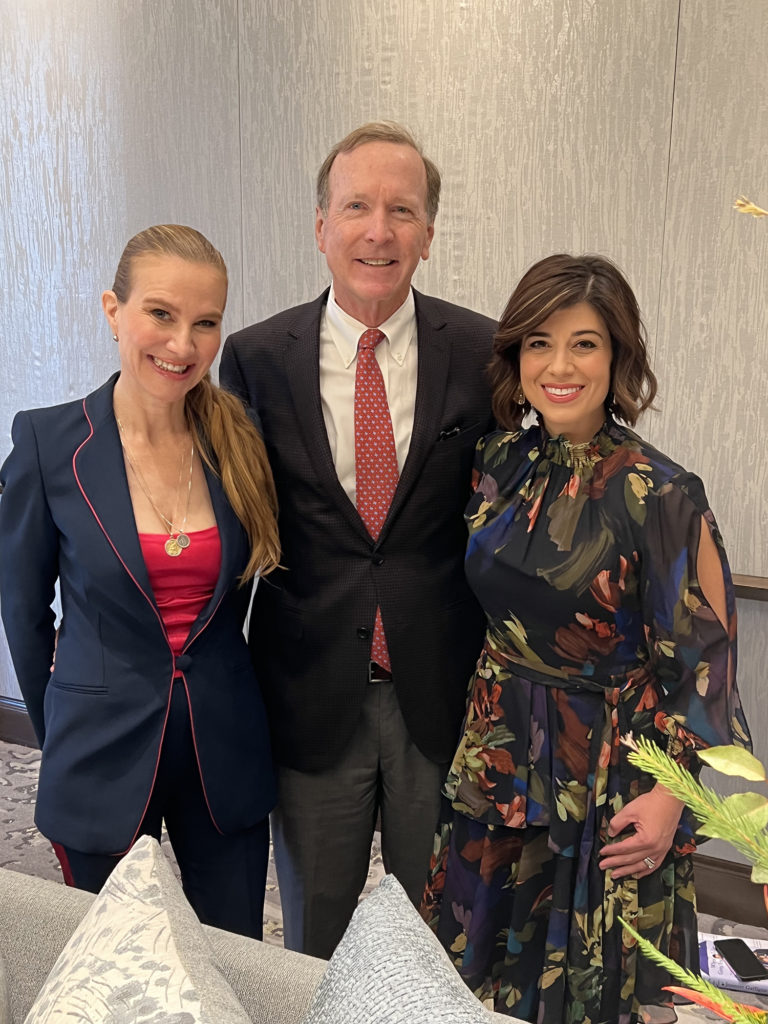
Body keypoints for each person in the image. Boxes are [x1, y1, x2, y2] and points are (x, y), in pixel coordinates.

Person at [421, 254, 752, 1023]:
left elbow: (706, 664)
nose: (560, 366)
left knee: (594, 991)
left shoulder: (660, 492)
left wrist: (672, 798)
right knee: (483, 982)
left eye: (584, 344)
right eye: (539, 343)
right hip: (498, 758)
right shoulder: (496, 462)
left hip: (610, 776)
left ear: (618, 357)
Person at [219, 121, 497, 958]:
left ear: (428, 234)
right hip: (310, 694)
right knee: (315, 937)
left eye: (402, 210)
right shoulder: (256, 358)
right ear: (321, 227)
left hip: (438, 696)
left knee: (437, 941)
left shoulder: (483, 353)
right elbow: (235, 524)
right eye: (357, 208)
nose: (379, 230)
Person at [0, 224, 280, 939]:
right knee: (112, 965)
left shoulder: (241, 439)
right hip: (98, 752)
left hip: (224, 748)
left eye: (206, 323)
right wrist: (61, 725)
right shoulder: (49, 444)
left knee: (235, 957)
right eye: (161, 313)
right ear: (113, 311)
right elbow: (24, 612)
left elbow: (247, 596)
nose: (182, 345)